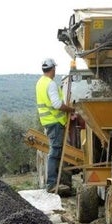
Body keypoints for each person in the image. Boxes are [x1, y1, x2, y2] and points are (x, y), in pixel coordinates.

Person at [35, 58, 76, 193]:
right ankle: (52, 184)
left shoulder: (40, 83)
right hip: (55, 122)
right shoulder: (50, 84)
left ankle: (56, 182)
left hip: (48, 122)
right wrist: (71, 110)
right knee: (55, 152)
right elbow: (57, 105)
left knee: (55, 152)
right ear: (53, 69)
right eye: (54, 69)